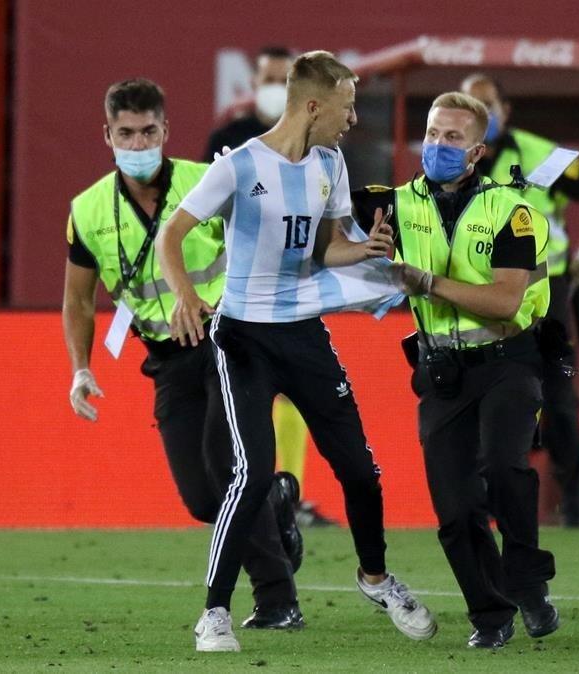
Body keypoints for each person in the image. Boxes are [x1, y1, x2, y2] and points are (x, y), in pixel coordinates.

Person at [155, 51, 435, 652]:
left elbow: (321, 250)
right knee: (251, 472)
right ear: (314, 105)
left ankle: (376, 579)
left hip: (303, 333)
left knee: (361, 470)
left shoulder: (329, 164)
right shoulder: (238, 166)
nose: (353, 118)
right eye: (348, 104)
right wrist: (183, 296)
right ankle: (215, 613)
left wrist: (360, 253)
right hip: (244, 339)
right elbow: (170, 236)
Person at [62, 79, 306, 631]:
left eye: (149, 130)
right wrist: (81, 367)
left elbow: (265, 246)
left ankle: (277, 598)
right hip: (167, 360)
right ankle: (276, 504)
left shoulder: (209, 183)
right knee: (201, 498)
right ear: (107, 135)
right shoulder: (86, 210)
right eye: (126, 132)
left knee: (226, 464)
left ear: (167, 131)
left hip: (230, 342)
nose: (138, 141)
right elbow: (78, 299)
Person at [356, 91, 558, 648]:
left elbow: (504, 302)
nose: (436, 147)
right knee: (454, 507)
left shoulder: (512, 213)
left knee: (502, 465)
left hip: (508, 362)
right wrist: (356, 248)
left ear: (477, 152)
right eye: (431, 134)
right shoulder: (391, 204)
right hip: (442, 370)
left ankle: (527, 583)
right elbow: (321, 228)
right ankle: (491, 618)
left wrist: (427, 283)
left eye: (451, 139)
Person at [461, 73, 579, 527]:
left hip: (545, 289)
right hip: (483, 289)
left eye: (488, 103)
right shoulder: (453, 159)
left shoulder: (540, 155)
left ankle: (574, 499)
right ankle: (484, 502)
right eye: (470, 104)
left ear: (506, 111)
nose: (480, 112)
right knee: (485, 389)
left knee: (556, 390)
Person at [202, 45, 334, 529]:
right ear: (254, 83)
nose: (275, 88)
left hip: (293, 294)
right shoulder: (230, 142)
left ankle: (289, 497)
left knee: (294, 399)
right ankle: (248, 491)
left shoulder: (318, 149)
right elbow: (205, 221)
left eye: (284, 79)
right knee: (246, 405)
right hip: (238, 295)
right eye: (268, 78)